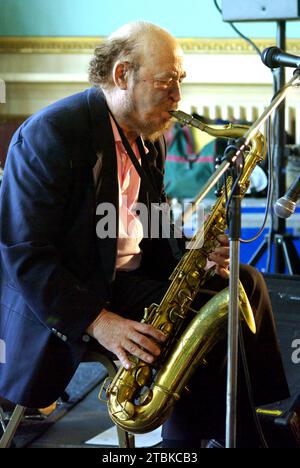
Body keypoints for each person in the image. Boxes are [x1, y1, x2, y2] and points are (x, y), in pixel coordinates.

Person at [0, 21, 289, 448]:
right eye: (167, 82)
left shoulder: (145, 136)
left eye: (180, 82)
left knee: (246, 283)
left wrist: (192, 254)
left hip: (123, 278)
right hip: (74, 294)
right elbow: (25, 255)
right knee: (204, 327)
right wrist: (101, 322)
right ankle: (186, 446)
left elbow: (152, 222)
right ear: (122, 76)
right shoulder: (52, 136)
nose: (177, 97)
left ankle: (259, 420)